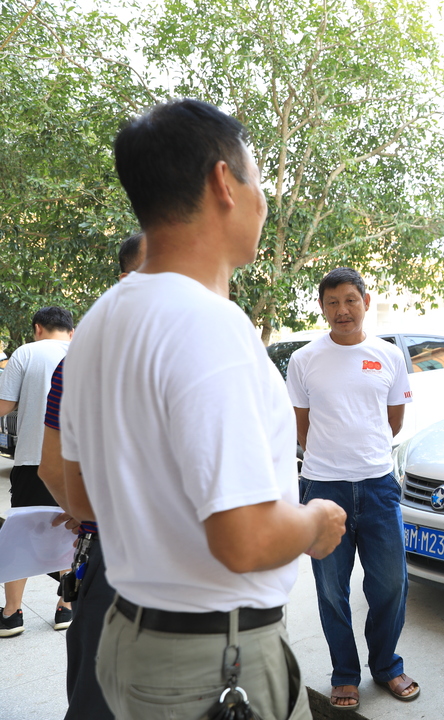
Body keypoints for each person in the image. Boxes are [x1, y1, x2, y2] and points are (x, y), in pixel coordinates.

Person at [59, 98, 346, 720]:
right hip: (212, 666)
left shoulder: (101, 321)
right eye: (258, 180)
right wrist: (316, 522)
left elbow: (78, 497)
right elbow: (245, 542)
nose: (263, 201)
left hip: (129, 644)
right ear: (224, 182)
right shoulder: (208, 326)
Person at [286, 267, 419, 709]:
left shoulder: (389, 356)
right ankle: (345, 673)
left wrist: (365, 453)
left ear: (365, 299)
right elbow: (302, 428)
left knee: (391, 584)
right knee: (330, 589)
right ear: (322, 308)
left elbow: (393, 420)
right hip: (323, 488)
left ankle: (386, 667)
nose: (342, 310)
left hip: (379, 485)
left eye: (350, 300)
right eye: (332, 303)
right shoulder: (304, 359)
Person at [37, 231, 146, 720]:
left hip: (110, 556)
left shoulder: (80, 360)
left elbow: (52, 469)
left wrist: (83, 513)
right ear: (127, 279)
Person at [0, 305, 74, 637]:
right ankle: (65, 608)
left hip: (34, 459)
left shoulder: (25, 353)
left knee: (21, 532)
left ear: (37, 328)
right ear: (71, 332)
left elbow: (3, 407)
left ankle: (12, 614)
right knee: (72, 532)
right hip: (78, 462)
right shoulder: (88, 353)